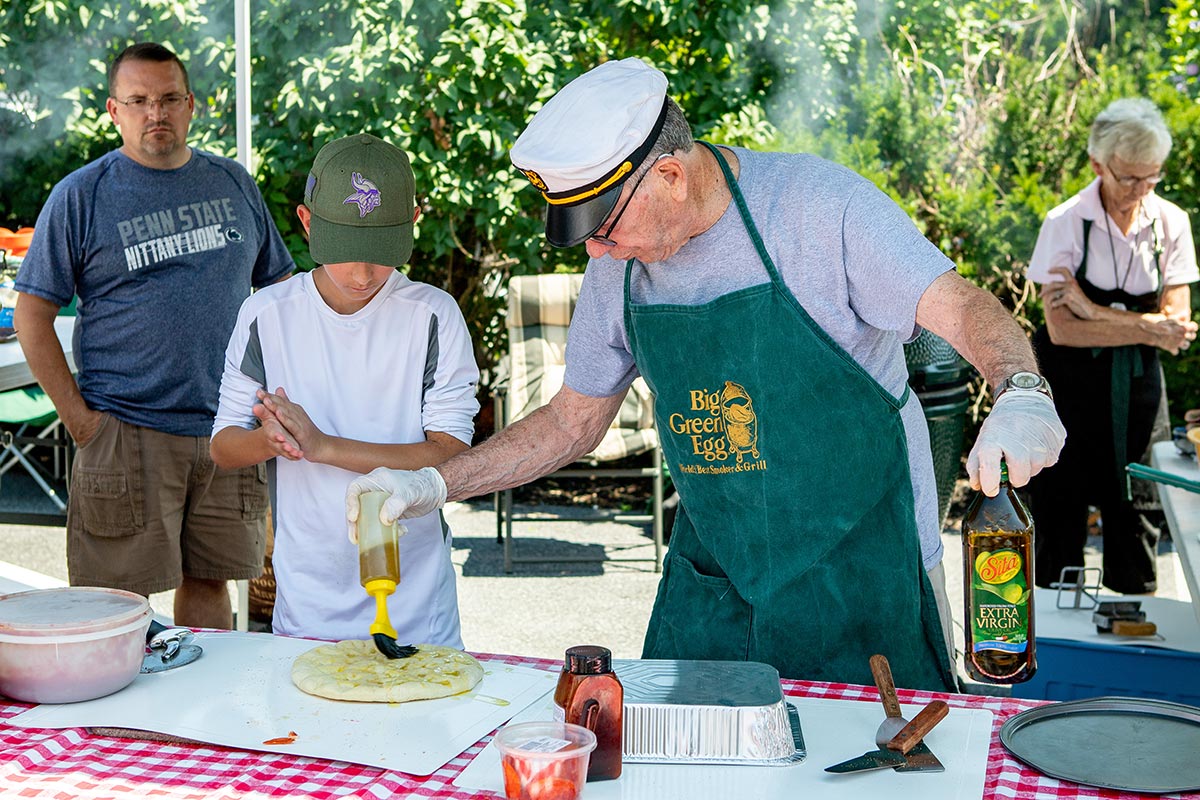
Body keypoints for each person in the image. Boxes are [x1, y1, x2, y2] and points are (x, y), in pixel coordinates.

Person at [345, 58, 1066, 691]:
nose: (596, 251)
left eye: (604, 226)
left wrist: (1022, 391)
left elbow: (967, 309)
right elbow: (570, 421)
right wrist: (436, 484)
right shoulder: (620, 266)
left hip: (865, 572)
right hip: (717, 579)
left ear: (670, 174)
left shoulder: (822, 210)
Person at [12, 42, 294, 628]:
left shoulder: (234, 183)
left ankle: (203, 715)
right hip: (126, 428)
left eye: (168, 99)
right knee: (115, 610)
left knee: (212, 584)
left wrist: (270, 401)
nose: (155, 113)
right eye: (138, 101)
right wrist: (82, 423)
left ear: (191, 105)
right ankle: (116, 724)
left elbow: (281, 292)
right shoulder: (81, 196)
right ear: (115, 112)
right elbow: (31, 315)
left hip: (229, 429)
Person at [210, 133, 479, 644]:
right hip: (308, 600)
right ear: (306, 222)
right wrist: (270, 440)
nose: (362, 273)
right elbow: (223, 447)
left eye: (380, 253)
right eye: (345, 252)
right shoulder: (266, 314)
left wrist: (323, 446)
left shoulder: (432, 315)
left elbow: (449, 455)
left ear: (414, 221)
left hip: (418, 608)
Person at [1027, 98, 1198, 595]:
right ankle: (1059, 646)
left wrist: (1092, 310)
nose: (1142, 190)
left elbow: (1179, 327)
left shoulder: (1171, 222)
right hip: (1068, 389)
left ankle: (1137, 640)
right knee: (1060, 512)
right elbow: (1062, 332)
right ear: (1098, 165)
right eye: (1129, 179)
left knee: (1136, 511)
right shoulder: (1065, 222)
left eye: (1152, 178)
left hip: (1138, 391)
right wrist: (1150, 328)